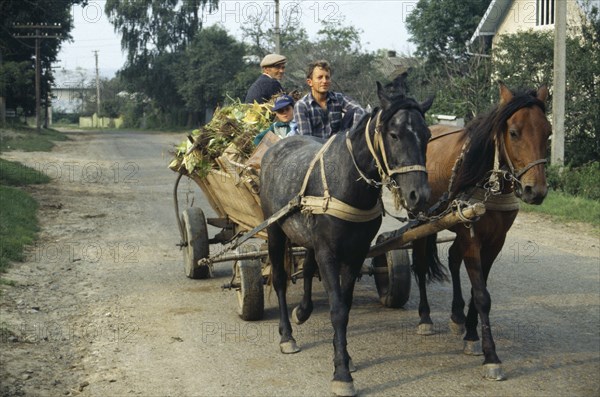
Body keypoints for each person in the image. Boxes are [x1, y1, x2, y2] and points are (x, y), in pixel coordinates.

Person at [293, 60, 366, 139]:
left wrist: (353, 133)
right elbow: (306, 139)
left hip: (337, 146)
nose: (324, 81)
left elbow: (360, 110)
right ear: (310, 82)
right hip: (315, 149)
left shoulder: (338, 98)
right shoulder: (302, 105)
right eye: (320, 77)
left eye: (327, 77)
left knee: (353, 111)